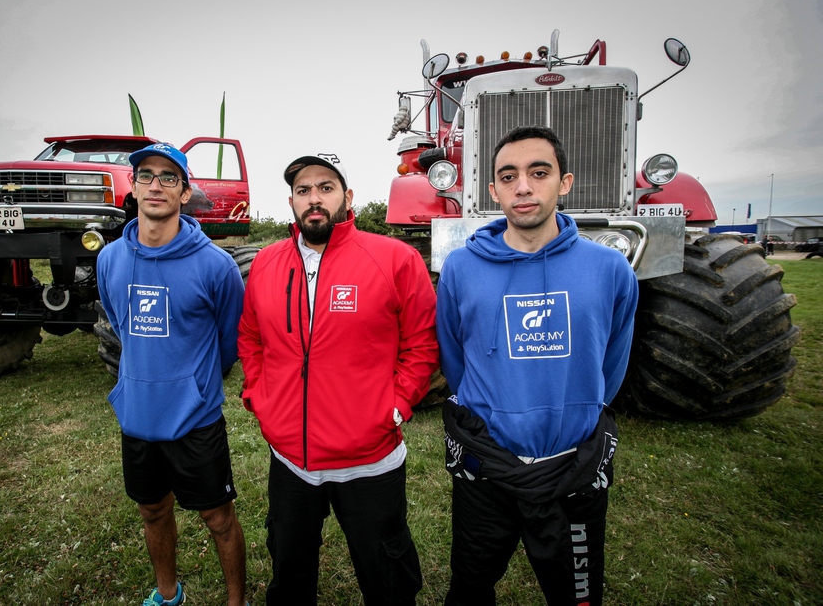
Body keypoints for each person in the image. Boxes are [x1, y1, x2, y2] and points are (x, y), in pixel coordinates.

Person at [436, 126, 639, 606]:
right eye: (509, 176)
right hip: (488, 469)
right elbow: (454, 357)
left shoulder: (610, 270)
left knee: (576, 597)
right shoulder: (461, 269)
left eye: (538, 172)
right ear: (493, 191)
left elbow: (610, 362)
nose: (523, 186)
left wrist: (574, 408)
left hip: (572, 468)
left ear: (564, 183)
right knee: (469, 589)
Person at [237, 153, 439, 605]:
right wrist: (260, 398)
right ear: (290, 200)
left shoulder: (395, 259)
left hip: (368, 457)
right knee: (289, 570)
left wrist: (396, 405)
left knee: (386, 573)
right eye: (304, 190)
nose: (314, 198)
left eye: (326, 188)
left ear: (347, 197)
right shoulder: (267, 264)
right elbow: (250, 337)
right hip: (290, 458)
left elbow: (422, 344)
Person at [96, 143, 247, 606]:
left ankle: (236, 600)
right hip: (138, 416)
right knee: (151, 510)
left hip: (195, 417)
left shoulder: (216, 266)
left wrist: (196, 383)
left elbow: (228, 342)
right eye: (146, 175)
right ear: (134, 187)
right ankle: (167, 593)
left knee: (218, 518)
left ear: (185, 193)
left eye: (168, 177)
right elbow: (121, 324)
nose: (156, 185)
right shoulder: (110, 260)